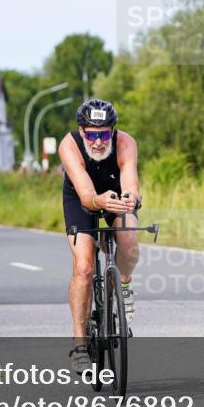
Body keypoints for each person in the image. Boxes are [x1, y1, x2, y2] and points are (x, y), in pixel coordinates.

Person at [59, 99, 142, 372]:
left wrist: (129, 200)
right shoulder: (69, 146)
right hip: (82, 199)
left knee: (128, 242)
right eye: (92, 134)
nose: (98, 141)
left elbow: (130, 184)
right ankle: (79, 343)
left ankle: (123, 289)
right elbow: (86, 195)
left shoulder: (126, 143)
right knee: (83, 266)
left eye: (104, 133)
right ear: (82, 131)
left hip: (115, 194)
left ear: (113, 131)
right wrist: (99, 201)